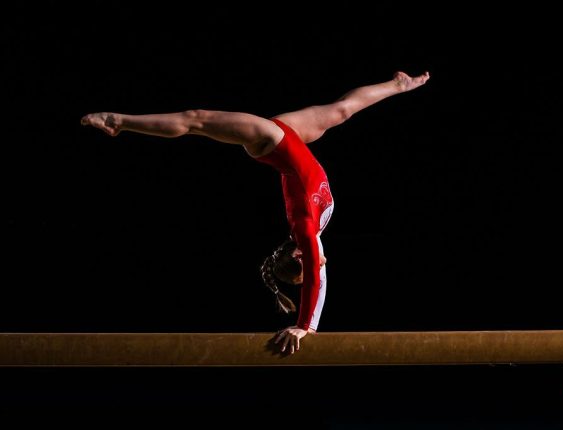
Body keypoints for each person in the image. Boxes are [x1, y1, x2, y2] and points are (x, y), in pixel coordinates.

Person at [81, 70, 431, 354]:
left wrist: (305, 326)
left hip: (272, 142)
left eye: (312, 263)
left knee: (196, 120)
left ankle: (120, 121)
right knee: (341, 110)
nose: (323, 264)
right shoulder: (313, 237)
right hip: (290, 136)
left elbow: (313, 277)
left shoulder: (306, 230)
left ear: (299, 254)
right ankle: (397, 84)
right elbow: (318, 279)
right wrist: (309, 324)